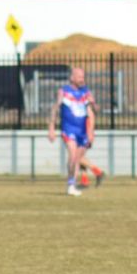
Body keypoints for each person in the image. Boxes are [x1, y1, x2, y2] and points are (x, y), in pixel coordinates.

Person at [47, 66, 98, 197]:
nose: (82, 79)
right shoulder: (64, 91)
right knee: (73, 155)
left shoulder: (86, 92)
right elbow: (55, 108)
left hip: (82, 131)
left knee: (77, 158)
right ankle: (71, 185)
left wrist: (93, 103)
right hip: (68, 128)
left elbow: (95, 110)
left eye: (83, 77)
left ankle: (72, 183)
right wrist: (51, 127)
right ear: (72, 78)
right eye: (79, 77)